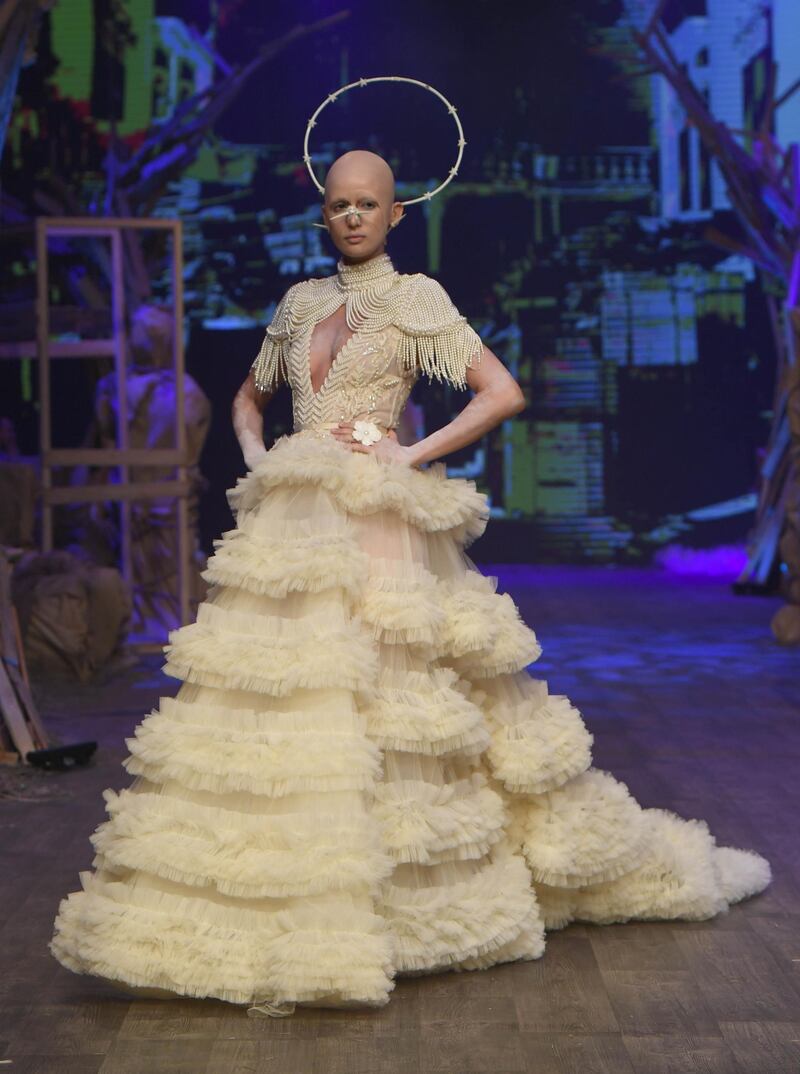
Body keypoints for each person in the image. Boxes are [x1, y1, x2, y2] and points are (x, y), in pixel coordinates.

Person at [50, 147, 771, 1019]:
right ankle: (288, 898)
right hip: (293, 526)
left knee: (389, 697)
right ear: (324, 214)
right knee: (284, 705)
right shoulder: (298, 302)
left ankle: (399, 903)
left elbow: (499, 391)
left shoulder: (415, 298)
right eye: (340, 204)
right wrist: (264, 461)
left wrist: (408, 452)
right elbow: (246, 400)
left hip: (378, 520)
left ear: (397, 213)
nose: (353, 216)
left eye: (369, 204)